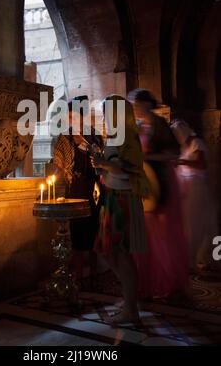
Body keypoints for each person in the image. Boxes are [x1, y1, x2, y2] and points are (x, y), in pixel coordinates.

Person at [90, 94, 149, 324]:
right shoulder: (115, 136)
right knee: (107, 251)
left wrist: (103, 163)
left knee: (121, 254)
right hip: (112, 197)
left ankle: (131, 309)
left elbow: (129, 167)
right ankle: (129, 301)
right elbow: (112, 169)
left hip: (123, 200)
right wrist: (100, 164)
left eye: (107, 112)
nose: (104, 116)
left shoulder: (128, 137)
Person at [127, 89, 190, 301]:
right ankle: (147, 284)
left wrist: (150, 156)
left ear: (147, 103)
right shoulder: (136, 127)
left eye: (136, 103)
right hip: (144, 183)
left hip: (160, 181)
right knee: (146, 237)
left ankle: (171, 283)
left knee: (164, 236)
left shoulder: (160, 125)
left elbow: (174, 153)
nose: (134, 107)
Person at [53, 95, 103, 287]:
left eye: (76, 117)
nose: (72, 121)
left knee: (93, 229)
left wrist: (84, 144)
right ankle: (78, 273)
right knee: (77, 231)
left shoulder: (94, 136)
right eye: (70, 117)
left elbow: (100, 158)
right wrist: (55, 174)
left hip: (94, 187)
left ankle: (95, 271)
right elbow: (59, 163)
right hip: (74, 189)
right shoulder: (64, 138)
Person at [171, 119, 218, 271]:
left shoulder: (197, 143)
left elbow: (201, 164)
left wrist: (182, 163)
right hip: (188, 188)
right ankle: (191, 258)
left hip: (197, 188)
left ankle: (200, 257)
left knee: (198, 224)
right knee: (190, 224)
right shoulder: (184, 147)